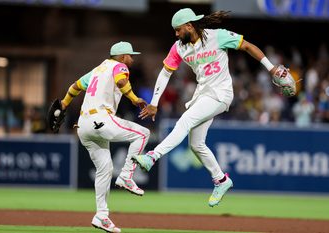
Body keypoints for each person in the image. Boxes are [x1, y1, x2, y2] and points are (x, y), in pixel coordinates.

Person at [132, 8, 293, 207]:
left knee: (186, 120)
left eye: (178, 29)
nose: (176, 34)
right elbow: (165, 74)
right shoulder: (178, 47)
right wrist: (154, 103)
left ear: (190, 26)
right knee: (196, 144)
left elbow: (248, 46)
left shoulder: (218, 36)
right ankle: (222, 180)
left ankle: (152, 156)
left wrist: (272, 67)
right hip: (203, 95)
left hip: (221, 93)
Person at [59, 41, 150, 233]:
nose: (132, 59)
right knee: (143, 134)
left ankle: (101, 216)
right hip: (101, 119)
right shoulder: (119, 66)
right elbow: (121, 81)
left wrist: (64, 105)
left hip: (83, 125)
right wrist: (135, 99)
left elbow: (74, 87)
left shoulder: (96, 70)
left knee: (105, 168)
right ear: (123, 56)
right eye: (130, 55)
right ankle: (126, 175)